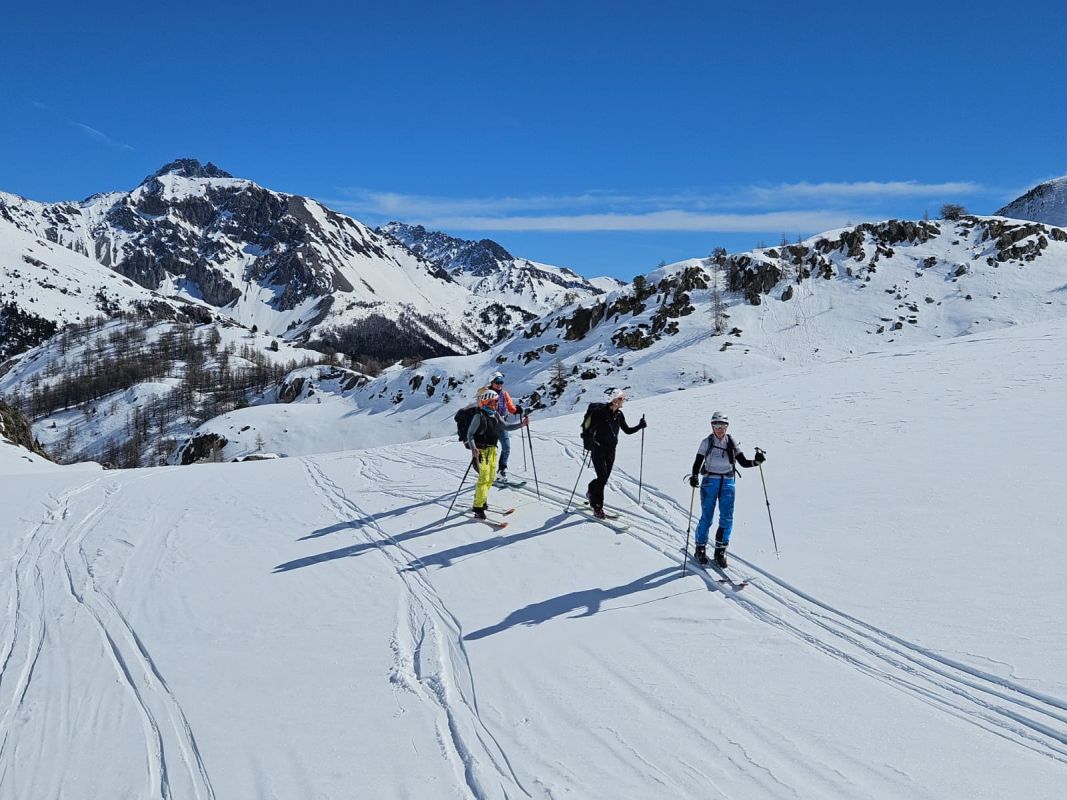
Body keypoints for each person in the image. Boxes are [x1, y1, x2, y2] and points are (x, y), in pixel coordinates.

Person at [688, 411, 765, 567]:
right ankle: (700, 547)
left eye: (722, 426)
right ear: (712, 426)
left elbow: (743, 462)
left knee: (727, 517)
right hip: (710, 481)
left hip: (728, 482)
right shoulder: (707, 442)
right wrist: (694, 476)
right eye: (717, 425)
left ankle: (720, 550)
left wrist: (756, 462)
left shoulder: (731, 441)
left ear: (727, 427)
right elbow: (698, 461)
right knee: (707, 516)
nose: (720, 429)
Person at [466, 389, 528, 519]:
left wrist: (521, 424)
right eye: (492, 402)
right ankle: (478, 507)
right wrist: (473, 448)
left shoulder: (495, 415)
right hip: (481, 451)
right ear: (485, 402)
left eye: (495, 402)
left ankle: (482, 500)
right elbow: (470, 434)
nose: (495, 404)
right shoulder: (479, 416)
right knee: (484, 478)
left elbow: (506, 426)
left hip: (493, 451)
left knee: (490, 478)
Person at [585, 392, 646, 519]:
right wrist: (590, 439)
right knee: (602, 478)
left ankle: (591, 489)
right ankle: (597, 507)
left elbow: (627, 430)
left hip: (611, 450)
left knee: (604, 479)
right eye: (622, 398)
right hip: (598, 449)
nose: (624, 401)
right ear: (615, 400)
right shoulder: (600, 413)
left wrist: (640, 426)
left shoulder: (619, 414)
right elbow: (589, 429)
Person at [474, 372, 523, 482]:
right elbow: (480, 404)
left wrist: (516, 410)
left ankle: (501, 470)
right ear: (492, 382)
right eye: (497, 382)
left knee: (506, 447)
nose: (500, 384)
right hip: (489, 424)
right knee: (488, 449)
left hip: (502, 423)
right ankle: (484, 470)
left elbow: (510, 407)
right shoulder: (485, 392)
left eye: (501, 382)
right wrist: (483, 390)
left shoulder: (504, 394)